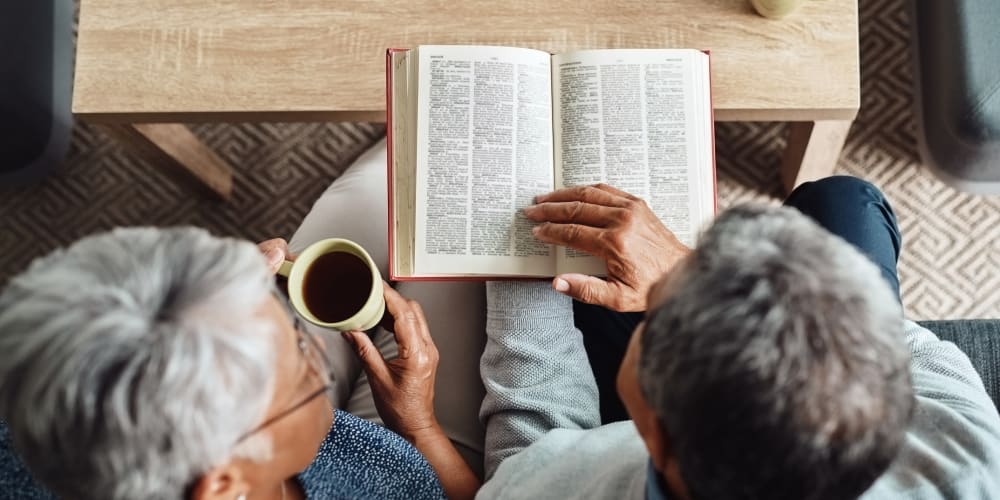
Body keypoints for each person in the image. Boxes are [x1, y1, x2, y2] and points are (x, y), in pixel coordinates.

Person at [0, 140, 483, 500]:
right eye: (301, 368)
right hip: (413, 452)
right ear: (223, 484)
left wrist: (219, 296)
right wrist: (420, 427)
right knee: (437, 178)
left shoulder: (32, 405)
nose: (317, 350)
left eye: (293, 329)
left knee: (410, 164)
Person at [478, 178, 1000, 499]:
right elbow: (896, 338)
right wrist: (684, 269)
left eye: (658, 316)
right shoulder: (969, 449)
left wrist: (516, 264)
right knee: (845, 201)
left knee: (584, 291)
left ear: (652, 435)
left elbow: (529, 455)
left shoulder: (564, 484)